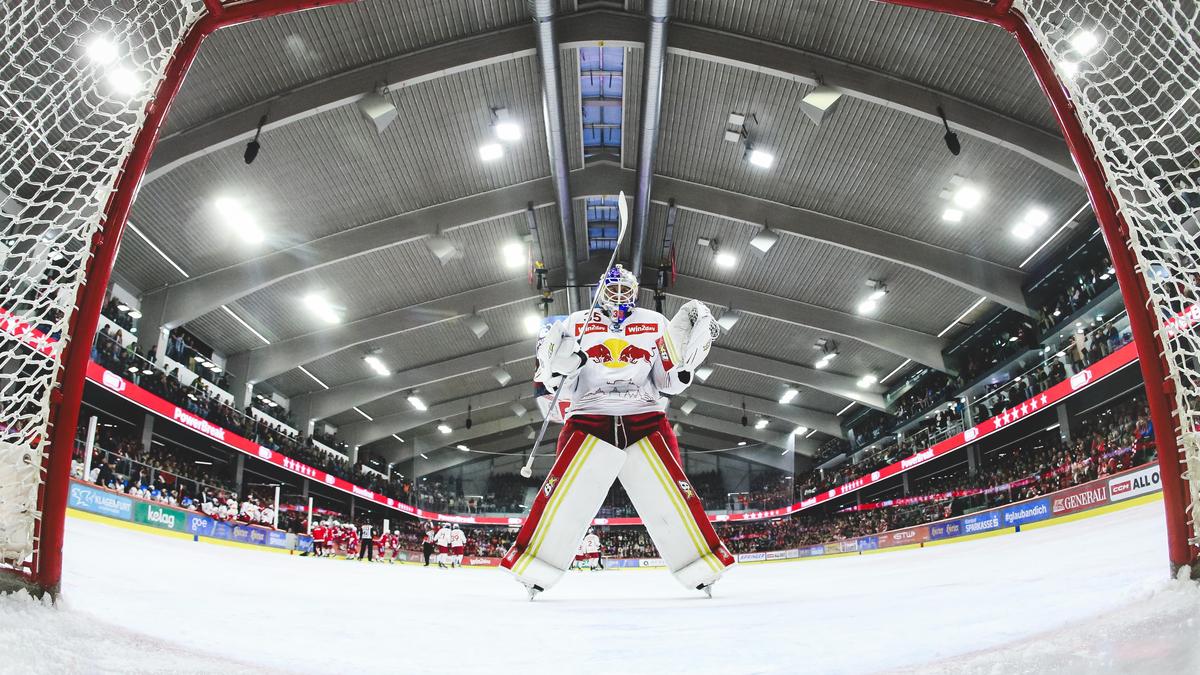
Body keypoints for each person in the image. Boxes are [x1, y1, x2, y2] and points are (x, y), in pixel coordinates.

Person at [501, 265, 735, 599]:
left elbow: (666, 383)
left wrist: (685, 367)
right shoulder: (576, 322)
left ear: (635, 292)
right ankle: (534, 569)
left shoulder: (655, 321)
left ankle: (703, 566)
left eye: (626, 290)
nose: (619, 296)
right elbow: (558, 389)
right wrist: (558, 370)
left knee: (674, 494)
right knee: (564, 496)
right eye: (613, 290)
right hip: (588, 417)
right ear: (599, 291)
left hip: (646, 415)